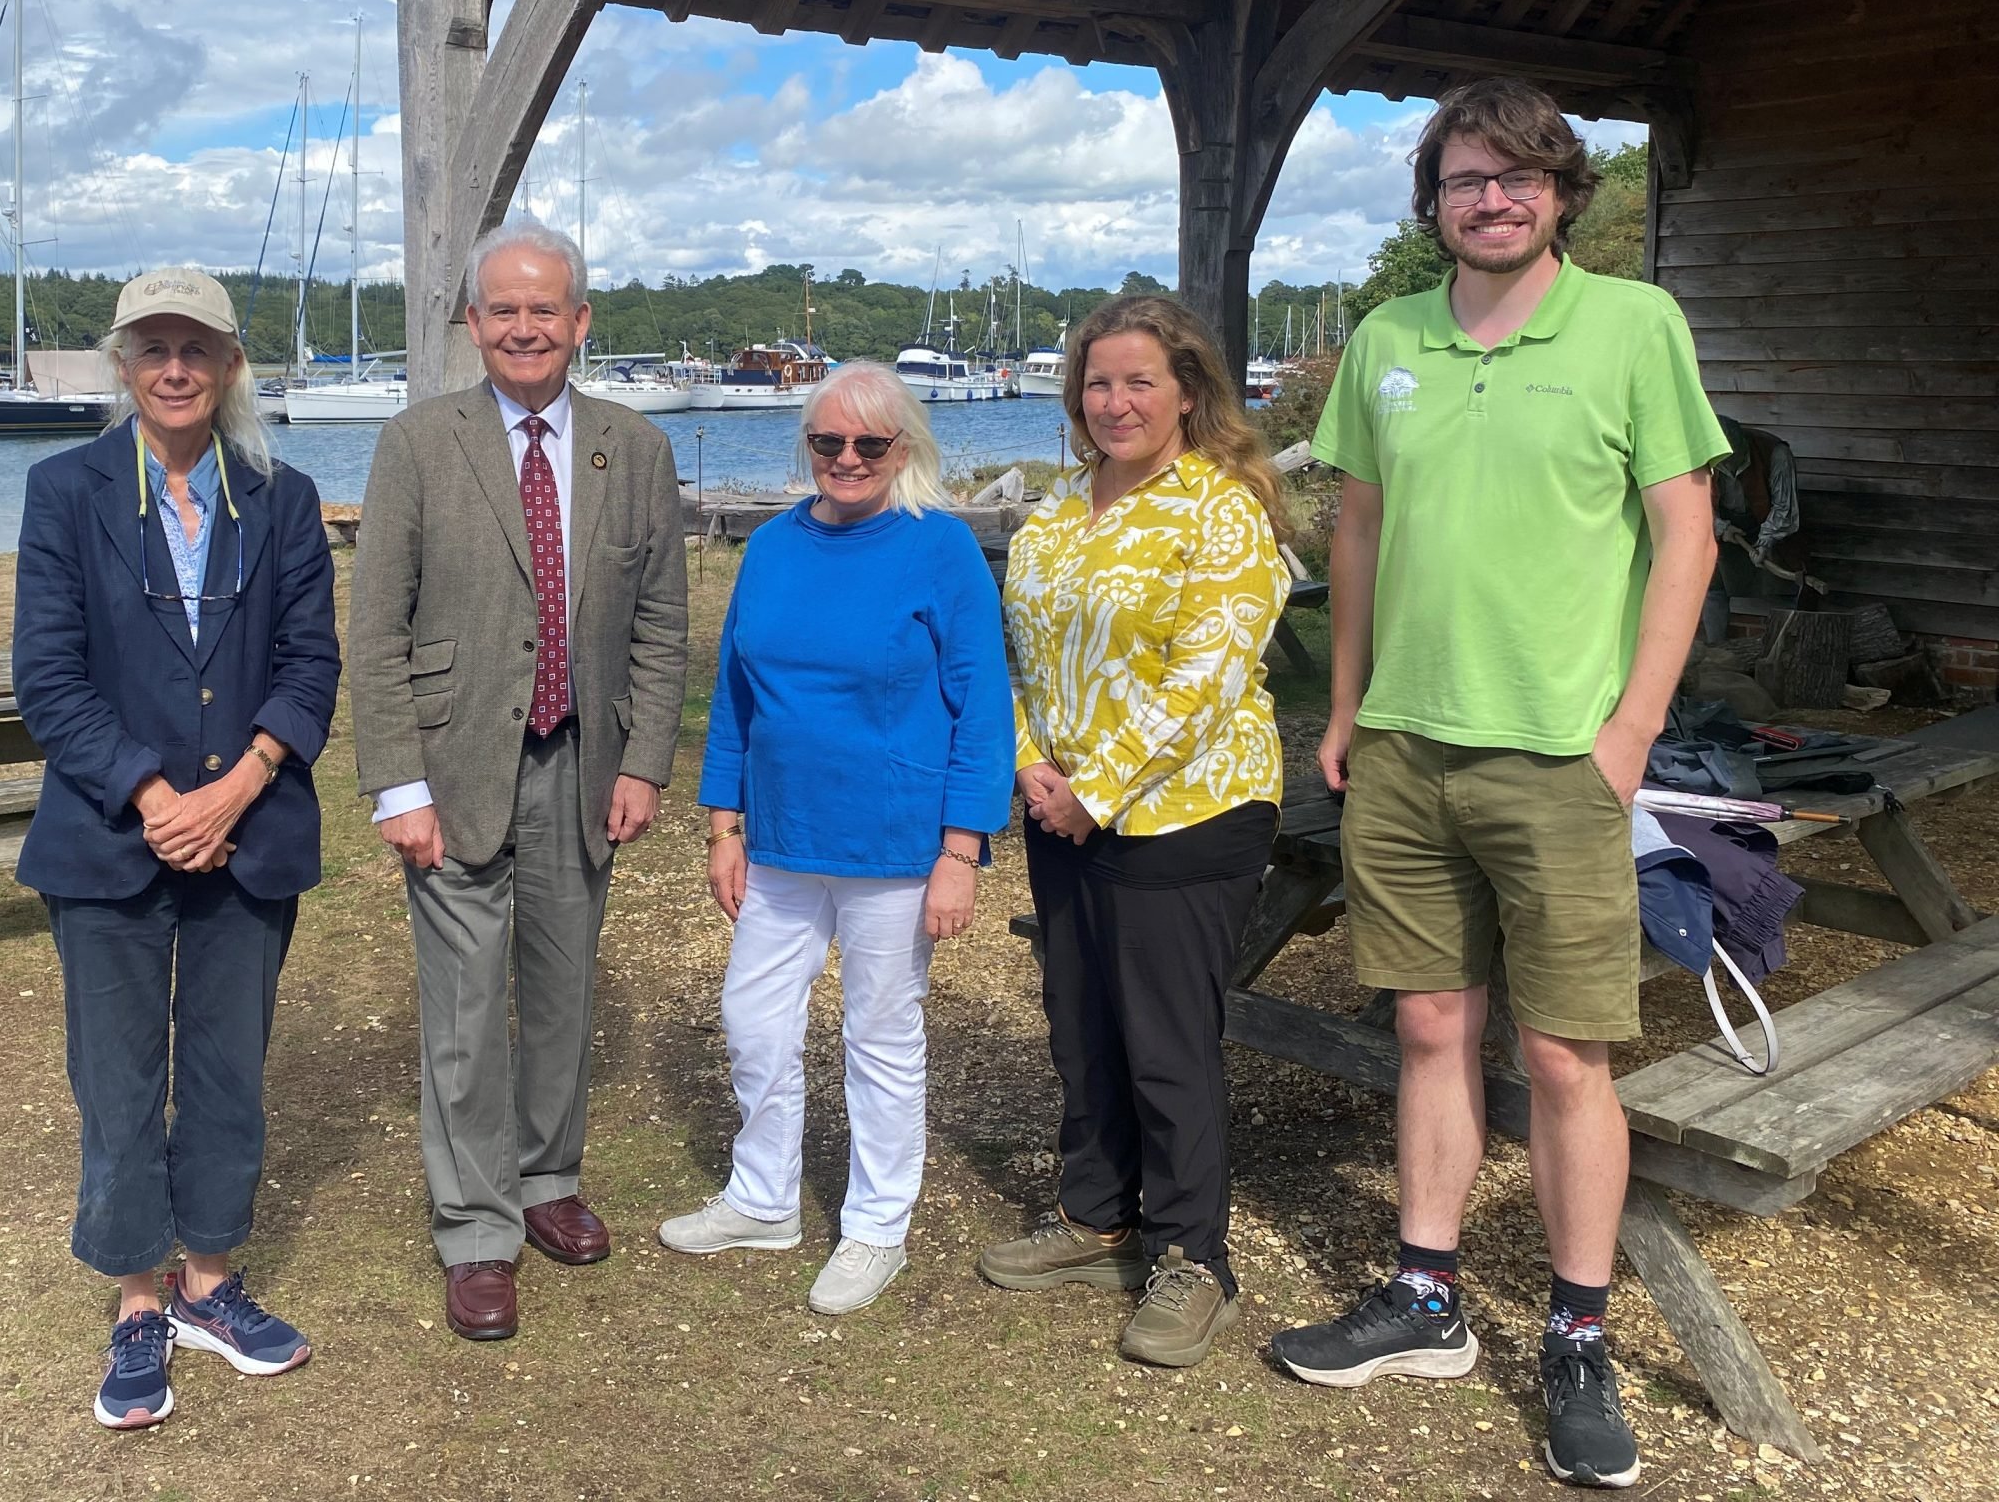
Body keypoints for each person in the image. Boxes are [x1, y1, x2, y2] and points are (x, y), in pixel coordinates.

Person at [1269, 78, 1724, 1490]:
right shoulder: (1389, 340)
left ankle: (1578, 1332)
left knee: (1570, 1055)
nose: (1491, 199)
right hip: (1406, 745)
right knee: (1428, 1028)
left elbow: (1687, 537)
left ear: (1561, 195)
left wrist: (1632, 728)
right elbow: (1357, 526)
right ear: (1435, 198)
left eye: (1518, 179)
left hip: (1561, 751)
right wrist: (1343, 708)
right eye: (1466, 179)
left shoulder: (1634, 327)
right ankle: (1426, 1300)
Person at [11, 267, 342, 1431]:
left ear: (231, 363)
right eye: (153, 347)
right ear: (123, 363)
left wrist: (241, 785)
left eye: (196, 348)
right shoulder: (64, 492)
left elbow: (312, 668)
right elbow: (46, 679)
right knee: (117, 1078)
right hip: (109, 841)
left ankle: (209, 1281)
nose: (175, 368)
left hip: (249, 840)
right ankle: (138, 1300)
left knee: (225, 1070)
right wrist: (155, 792)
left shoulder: (281, 496)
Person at [349, 222, 689, 1344]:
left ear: (580, 321)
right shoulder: (416, 443)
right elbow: (376, 629)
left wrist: (643, 760)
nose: (526, 327)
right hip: (453, 768)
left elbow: (658, 625)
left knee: (560, 998)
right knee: (461, 1015)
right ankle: (476, 1230)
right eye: (504, 309)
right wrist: (396, 785)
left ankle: (547, 1183)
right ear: (473, 322)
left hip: (582, 766)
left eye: (547, 309)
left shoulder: (633, 448)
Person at [656, 363, 1012, 1315]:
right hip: (781, 835)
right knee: (753, 1017)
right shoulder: (771, 547)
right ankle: (764, 1196)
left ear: (904, 450)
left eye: (870, 444)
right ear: (806, 447)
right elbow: (736, 695)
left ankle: (876, 1225)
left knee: (882, 1034)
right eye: (828, 442)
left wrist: (962, 849)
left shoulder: (940, 550)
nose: (848, 459)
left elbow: (983, 707)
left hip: (897, 844)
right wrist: (722, 823)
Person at [976, 296, 1290, 1370]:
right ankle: (1095, 1213)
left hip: (1188, 811)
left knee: (1165, 1043)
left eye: (1138, 381)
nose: (1114, 401)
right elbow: (1008, 658)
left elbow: (1206, 676)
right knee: (1081, 1024)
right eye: (1098, 383)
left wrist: (1096, 787)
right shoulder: (1058, 513)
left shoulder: (1222, 508)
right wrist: (1029, 765)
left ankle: (1193, 1258)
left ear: (1189, 392)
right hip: (1059, 807)